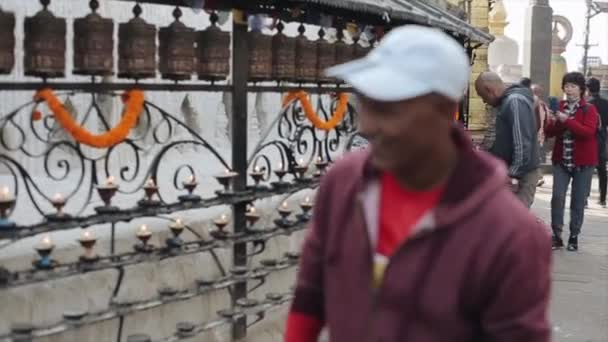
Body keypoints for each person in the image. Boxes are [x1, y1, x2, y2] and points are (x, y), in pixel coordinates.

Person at [285, 25, 551, 342]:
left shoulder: (510, 233)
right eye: (367, 104)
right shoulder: (344, 183)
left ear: (442, 110)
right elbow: (311, 294)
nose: (367, 125)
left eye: (387, 109)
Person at [545, 72, 599, 251]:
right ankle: (556, 235)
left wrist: (567, 120)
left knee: (577, 200)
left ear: (581, 89)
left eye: (573, 86)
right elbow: (551, 132)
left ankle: (574, 235)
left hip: (583, 163)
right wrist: (557, 121)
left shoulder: (589, 109)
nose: (569, 90)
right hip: (562, 160)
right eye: (567, 86)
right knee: (557, 197)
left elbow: (587, 133)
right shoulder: (560, 106)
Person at [474, 72, 541, 208]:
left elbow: (521, 143)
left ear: (489, 90)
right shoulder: (506, 102)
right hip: (511, 174)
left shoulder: (514, 101)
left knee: (515, 222)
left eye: (483, 96)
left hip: (520, 176)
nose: (484, 101)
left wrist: (513, 175)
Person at [586, 77, 608, 207]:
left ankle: (584, 199)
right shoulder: (606, 103)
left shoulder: (586, 104)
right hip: (602, 138)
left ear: (587, 89)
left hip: (588, 138)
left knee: (586, 169)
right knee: (602, 169)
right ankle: (602, 198)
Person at [531, 83, 551, 186]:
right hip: (539, 136)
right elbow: (548, 120)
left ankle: (538, 177)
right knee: (535, 157)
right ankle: (538, 177)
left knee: (534, 157)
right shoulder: (543, 105)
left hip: (534, 136)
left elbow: (547, 121)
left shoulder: (531, 103)